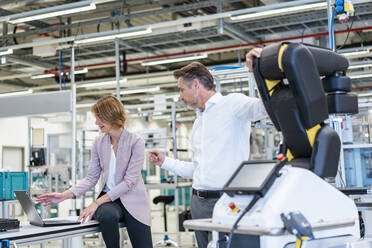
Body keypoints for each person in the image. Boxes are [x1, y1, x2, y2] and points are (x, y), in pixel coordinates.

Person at [149, 48, 266, 248]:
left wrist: (261, 70)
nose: (180, 96)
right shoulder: (198, 122)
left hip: (225, 201)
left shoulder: (232, 105)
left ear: (195, 85)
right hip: (198, 202)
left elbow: (264, 108)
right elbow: (198, 169)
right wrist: (165, 161)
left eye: (181, 90)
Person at [37, 96, 153, 248]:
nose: (96, 123)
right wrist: (64, 195)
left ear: (111, 117)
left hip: (134, 201)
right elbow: (91, 178)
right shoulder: (99, 142)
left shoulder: (136, 142)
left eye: (99, 119)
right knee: (106, 216)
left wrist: (95, 203)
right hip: (109, 202)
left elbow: (129, 182)